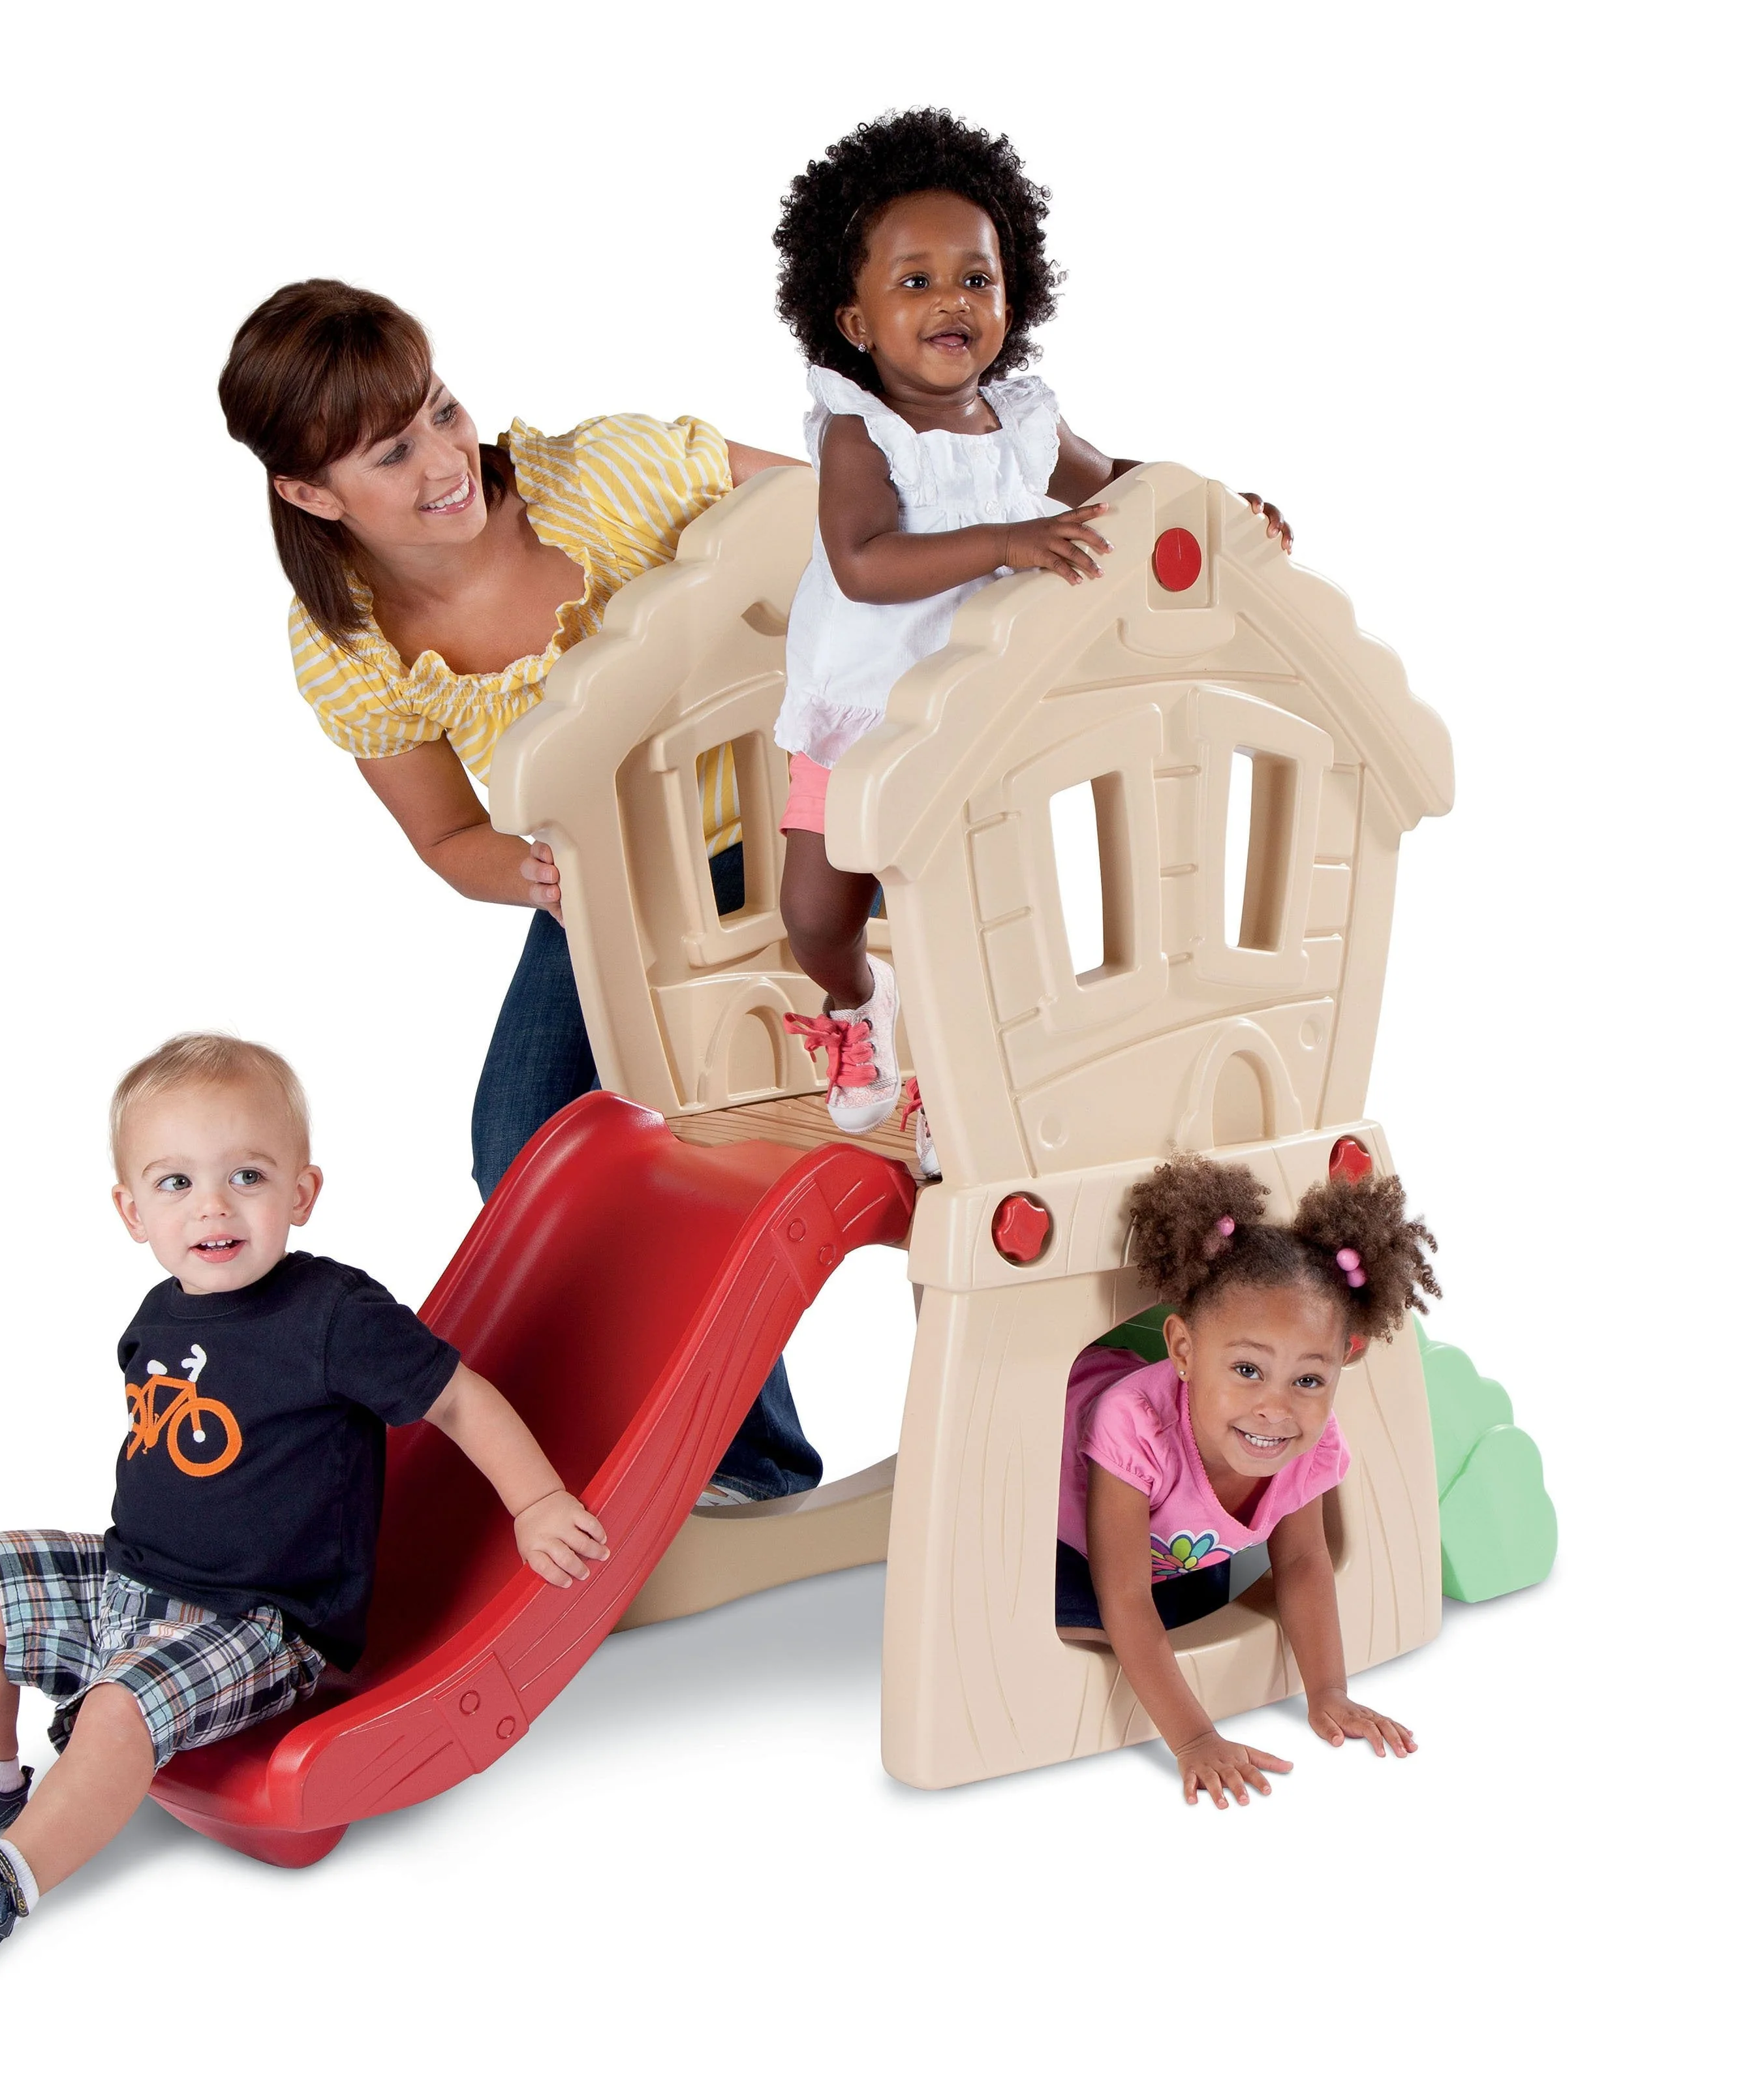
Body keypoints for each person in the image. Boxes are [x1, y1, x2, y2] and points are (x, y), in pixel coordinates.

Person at [218, 281, 818, 1503]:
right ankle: (700, 1457)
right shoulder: (346, 640)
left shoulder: (605, 479)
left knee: (718, 1120)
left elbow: (847, 514)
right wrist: (539, 875)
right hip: (606, 881)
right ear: (312, 494)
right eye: (392, 454)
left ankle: (750, 1460)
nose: (448, 461)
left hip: (784, 836)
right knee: (528, 1144)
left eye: (441, 411)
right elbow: (449, 836)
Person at [0, 1034, 609, 1972]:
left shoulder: (333, 1313)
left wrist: (536, 1500)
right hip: (131, 1578)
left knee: (117, 1710)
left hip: (259, 1620)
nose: (212, 1205)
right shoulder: (155, 1316)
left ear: (302, 1191)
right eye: (176, 1182)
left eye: (246, 1175)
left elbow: (457, 1397)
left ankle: (6, 1878)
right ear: (132, 1211)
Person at [767, 111, 1292, 1173]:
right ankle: (858, 1004)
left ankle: (955, 1098)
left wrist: (1215, 509)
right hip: (860, 711)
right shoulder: (863, 433)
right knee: (816, 916)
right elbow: (863, 561)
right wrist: (1007, 541)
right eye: (916, 281)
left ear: (1015, 299)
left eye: (978, 278)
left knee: (965, 926)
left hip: (981, 721)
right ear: (856, 321)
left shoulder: (1023, 425)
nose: (952, 301)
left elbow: (1121, 487)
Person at [1057, 1154, 1439, 1809]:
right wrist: (1194, 1738)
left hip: (1178, 1552)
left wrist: (1329, 1692)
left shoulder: (1306, 1444)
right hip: (1075, 1545)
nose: (1275, 1407)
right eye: (1247, 1370)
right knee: (1079, 1629)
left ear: (1343, 1362)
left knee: (1195, 1603)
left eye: (1308, 1379)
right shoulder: (1133, 1426)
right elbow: (1123, 1593)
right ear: (1184, 1350)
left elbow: (1303, 1559)